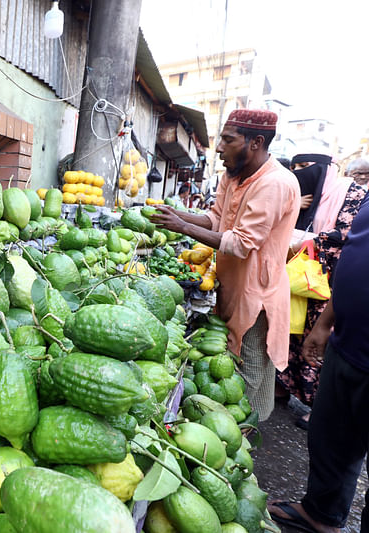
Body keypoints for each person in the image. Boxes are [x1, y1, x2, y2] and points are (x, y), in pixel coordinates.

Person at [150, 109, 301, 421]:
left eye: (228, 140)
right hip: (231, 284)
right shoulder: (234, 176)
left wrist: (182, 227)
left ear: (256, 142)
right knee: (238, 359)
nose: (219, 147)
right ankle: (250, 423)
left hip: (257, 292)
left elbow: (242, 242)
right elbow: (217, 219)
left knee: (247, 368)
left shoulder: (275, 183)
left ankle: (241, 433)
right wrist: (174, 216)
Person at [267, 189, 369, 533]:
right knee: (331, 439)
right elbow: (356, 257)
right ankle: (321, 514)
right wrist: (325, 323)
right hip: (347, 345)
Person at [277, 156, 369, 427]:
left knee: (318, 341)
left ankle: (316, 407)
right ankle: (286, 387)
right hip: (306, 277)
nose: (301, 174)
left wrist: (309, 239)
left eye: (305, 168)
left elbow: (343, 235)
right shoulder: (316, 193)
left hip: (329, 283)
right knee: (296, 336)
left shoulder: (352, 194)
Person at [291, 153, 332, 231]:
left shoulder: (337, 198)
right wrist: (292, 205)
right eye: (293, 167)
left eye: (303, 165)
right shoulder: (288, 193)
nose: (296, 170)